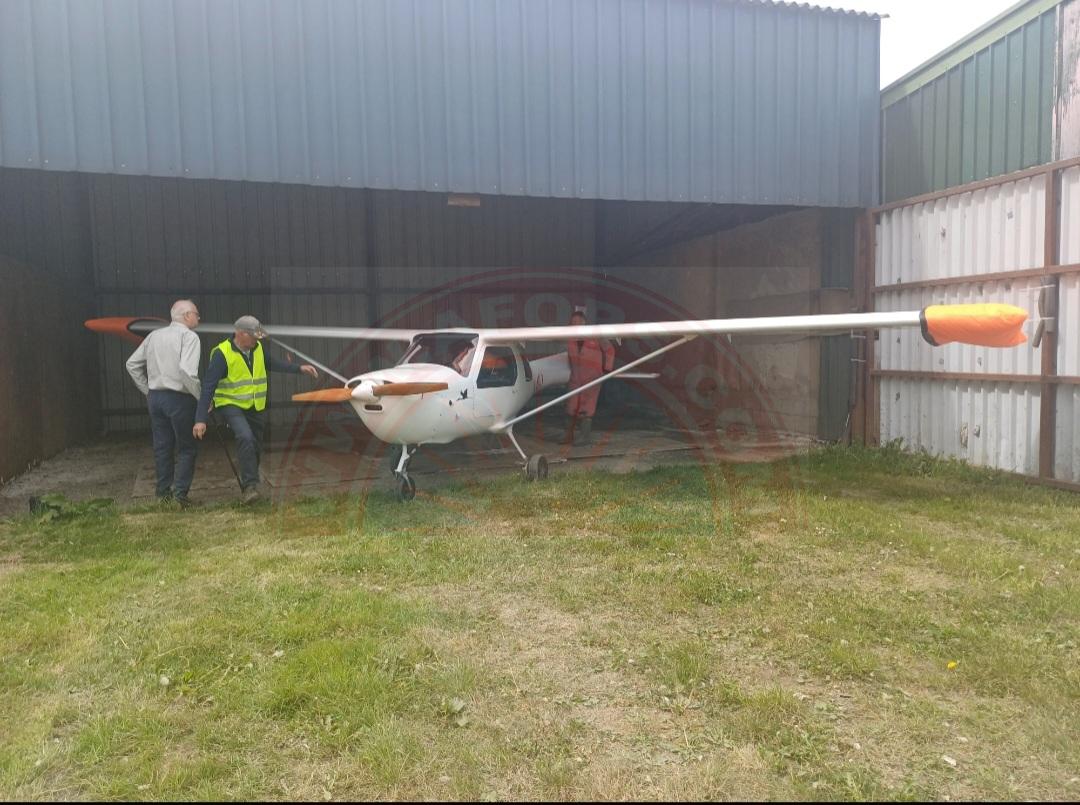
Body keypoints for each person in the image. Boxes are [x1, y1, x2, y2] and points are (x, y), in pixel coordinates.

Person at [192, 315, 318, 504]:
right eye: (254, 336)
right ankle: (249, 488)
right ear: (241, 334)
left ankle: (252, 483)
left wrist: (299, 369)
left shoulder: (257, 349)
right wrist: (200, 419)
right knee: (245, 437)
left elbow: (273, 364)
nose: (257, 340)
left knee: (256, 444)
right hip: (231, 404)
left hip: (254, 405)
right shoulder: (222, 354)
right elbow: (208, 386)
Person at [125, 299, 203, 507]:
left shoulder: (154, 336)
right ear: (186, 316)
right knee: (187, 447)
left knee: (162, 447)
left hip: (156, 398)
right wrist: (201, 398)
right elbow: (187, 371)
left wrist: (147, 391)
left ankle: (162, 494)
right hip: (179, 398)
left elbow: (131, 364)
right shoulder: (190, 337)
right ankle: (180, 496)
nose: (198, 317)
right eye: (196, 313)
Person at [564, 309, 615, 446]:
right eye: (572, 322)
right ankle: (568, 437)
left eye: (577, 322)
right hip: (576, 377)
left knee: (587, 408)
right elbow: (569, 357)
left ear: (584, 322)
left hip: (592, 378)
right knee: (571, 407)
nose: (574, 324)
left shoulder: (596, 336)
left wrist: (607, 369)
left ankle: (584, 438)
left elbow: (610, 350)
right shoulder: (570, 339)